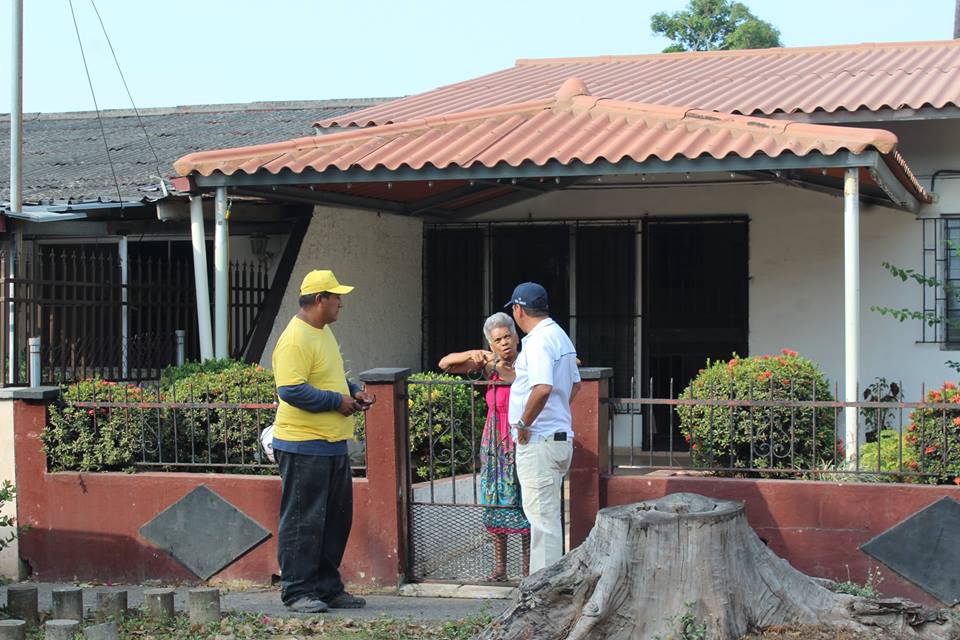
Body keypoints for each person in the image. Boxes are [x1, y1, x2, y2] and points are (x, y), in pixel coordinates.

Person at [271, 269, 376, 613]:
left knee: (335, 520)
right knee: (304, 521)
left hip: (332, 443)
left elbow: (331, 376)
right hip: (303, 445)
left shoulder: (323, 332)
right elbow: (290, 390)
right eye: (336, 297)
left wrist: (352, 391)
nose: (341, 304)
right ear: (320, 300)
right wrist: (337, 402)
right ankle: (297, 591)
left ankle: (327, 588)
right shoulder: (295, 338)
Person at [438, 312, 531, 581]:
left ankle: (527, 569)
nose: (504, 343)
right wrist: (475, 353)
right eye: (497, 340)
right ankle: (500, 568)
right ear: (491, 344)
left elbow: (513, 378)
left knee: (523, 503)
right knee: (495, 501)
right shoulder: (487, 364)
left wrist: (494, 362)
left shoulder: (527, 361)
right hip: (493, 442)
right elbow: (445, 364)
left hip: (518, 437)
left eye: (507, 337)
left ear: (516, 337)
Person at [506, 282, 580, 574]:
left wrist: (525, 422)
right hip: (557, 439)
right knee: (548, 520)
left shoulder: (537, 341)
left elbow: (542, 388)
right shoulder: (560, 336)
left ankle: (542, 596)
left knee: (543, 524)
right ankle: (547, 591)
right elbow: (575, 384)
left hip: (539, 441)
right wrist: (555, 413)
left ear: (518, 309)